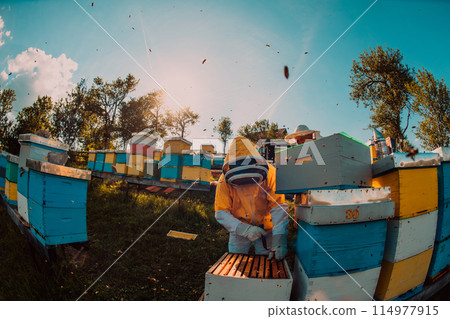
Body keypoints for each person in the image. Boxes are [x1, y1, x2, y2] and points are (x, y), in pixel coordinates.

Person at [214, 136, 289, 260]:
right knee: (236, 259)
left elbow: (278, 206)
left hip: (267, 227)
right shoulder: (224, 181)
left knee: (267, 261)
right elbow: (221, 212)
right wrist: (243, 229)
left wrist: (279, 238)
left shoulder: (270, 173)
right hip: (239, 228)